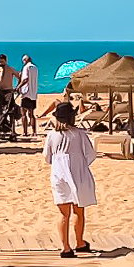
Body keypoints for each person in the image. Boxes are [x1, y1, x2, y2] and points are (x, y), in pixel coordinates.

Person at [43, 102, 97, 258]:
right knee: (78, 211)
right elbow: (90, 155)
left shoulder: (52, 135)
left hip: (59, 174)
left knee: (63, 213)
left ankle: (66, 247)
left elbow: (47, 157)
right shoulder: (79, 134)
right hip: (77, 173)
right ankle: (79, 242)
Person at [18, 54, 40, 137]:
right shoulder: (35, 67)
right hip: (33, 93)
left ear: (25, 60)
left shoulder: (26, 67)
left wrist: (18, 87)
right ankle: (34, 132)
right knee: (31, 114)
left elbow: (25, 79)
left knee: (23, 113)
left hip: (26, 93)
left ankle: (25, 132)